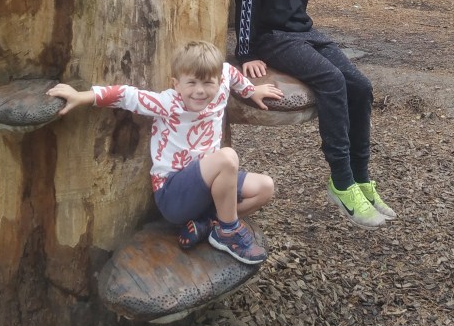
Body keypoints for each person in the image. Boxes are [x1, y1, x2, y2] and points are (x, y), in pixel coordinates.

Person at [234, 0, 396, 229]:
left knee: (361, 85)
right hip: (271, 38)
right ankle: (340, 181)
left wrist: (305, 30)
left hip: (303, 31)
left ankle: (361, 177)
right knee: (331, 80)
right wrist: (246, 51)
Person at [47, 40, 283, 264]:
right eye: (191, 83)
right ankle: (228, 232)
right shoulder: (168, 104)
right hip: (173, 194)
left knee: (265, 188)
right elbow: (126, 95)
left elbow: (231, 73)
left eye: (208, 83)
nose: (199, 91)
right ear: (175, 84)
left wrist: (252, 91)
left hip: (209, 184)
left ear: (217, 81)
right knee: (227, 158)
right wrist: (82, 96)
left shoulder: (222, 82)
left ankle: (208, 225)